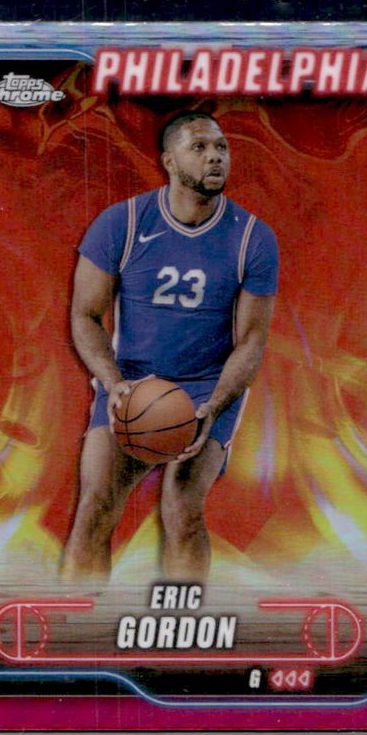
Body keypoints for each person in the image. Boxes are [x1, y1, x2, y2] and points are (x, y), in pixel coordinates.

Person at [61, 111, 279, 585]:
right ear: (169, 161)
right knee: (95, 505)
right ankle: (75, 618)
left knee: (182, 508)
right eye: (199, 147)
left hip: (208, 386)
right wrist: (114, 384)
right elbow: (85, 315)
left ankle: (188, 619)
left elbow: (251, 341)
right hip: (132, 382)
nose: (215, 157)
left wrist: (213, 406)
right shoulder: (121, 223)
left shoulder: (252, 237)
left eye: (221, 147)